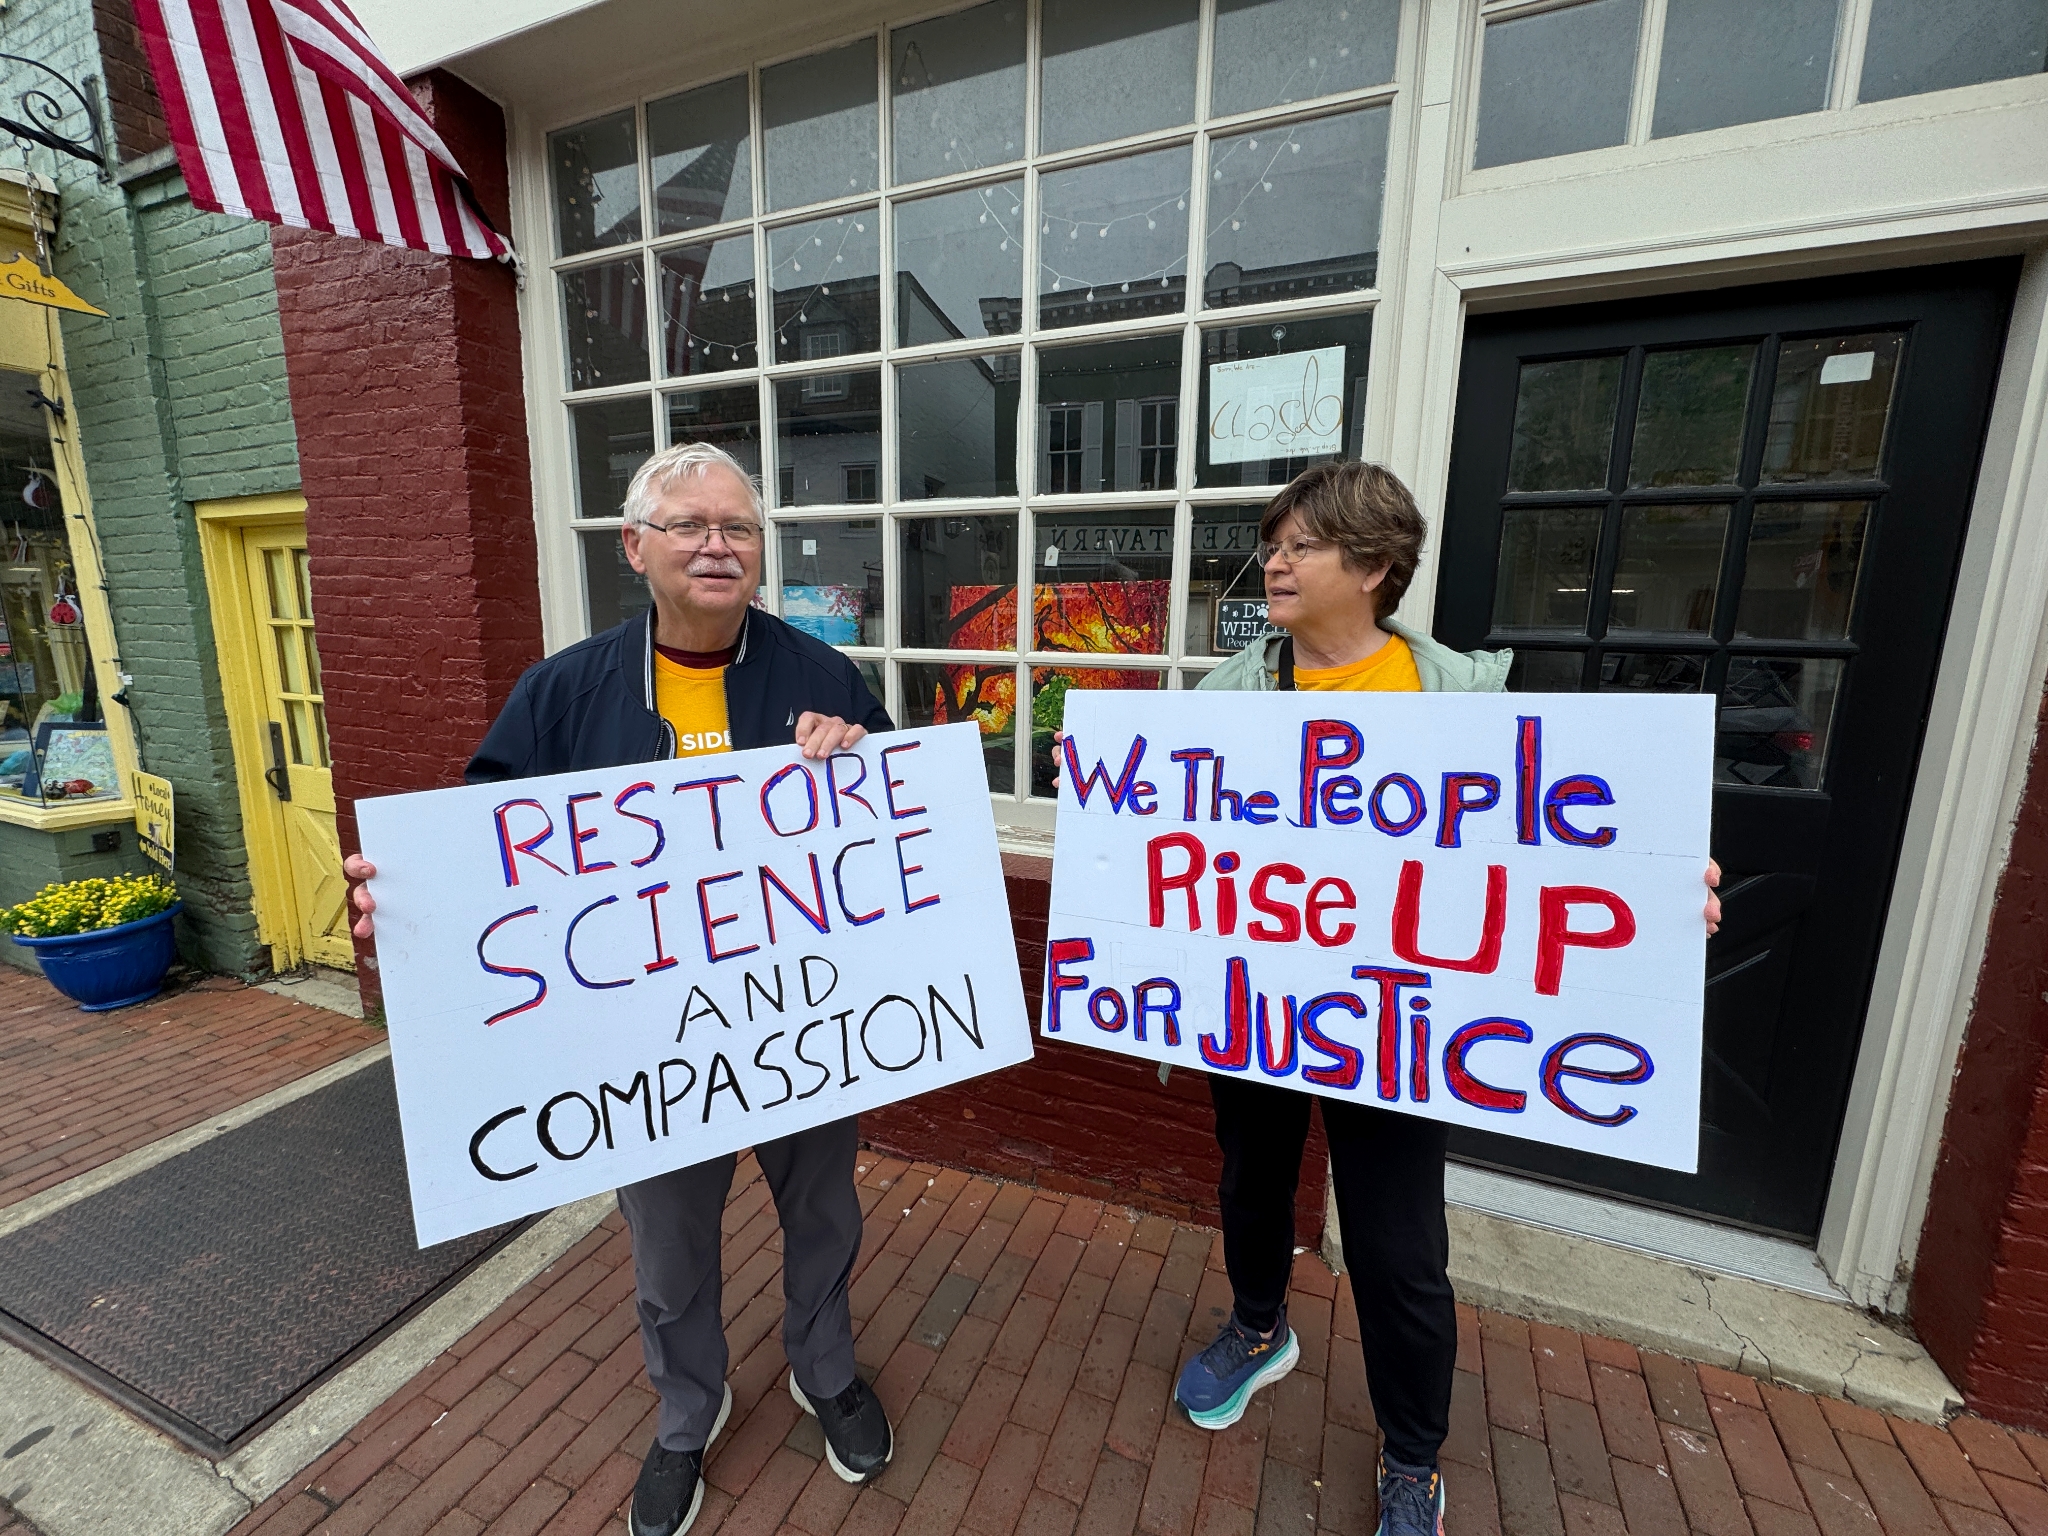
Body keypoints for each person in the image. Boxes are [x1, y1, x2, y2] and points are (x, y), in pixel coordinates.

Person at [343, 442, 895, 1536]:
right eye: (689, 525)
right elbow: (483, 855)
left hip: (800, 1019)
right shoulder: (563, 693)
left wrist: (862, 753)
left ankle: (824, 1370)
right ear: (635, 547)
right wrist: (407, 909)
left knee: (824, 1214)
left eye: (738, 527)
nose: (717, 545)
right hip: (645, 1044)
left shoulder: (822, 677)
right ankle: (688, 1413)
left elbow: (892, 834)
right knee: (669, 1248)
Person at [1173, 462, 1721, 1536]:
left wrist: (1657, 895)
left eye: (1301, 546)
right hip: (1257, 1004)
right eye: (1272, 543)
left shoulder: (1461, 701)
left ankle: (1413, 1455)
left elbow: (1557, 844)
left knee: (1398, 1251)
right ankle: (1258, 1327)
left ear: (1374, 566)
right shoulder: (1223, 698)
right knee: (1251, 1185)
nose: (1274, 562)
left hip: (1398, 1025)